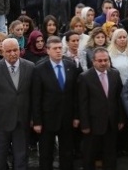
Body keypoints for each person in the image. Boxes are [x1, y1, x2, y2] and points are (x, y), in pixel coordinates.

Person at [0, 38, 35, 170]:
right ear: (2, 52)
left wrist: (33, 118)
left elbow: (34, 95)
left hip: (22, 120)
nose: (13, 54)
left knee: (21, 158)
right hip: (1, 122)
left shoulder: (30, 67)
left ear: (20, 50)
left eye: (15, 50)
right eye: (9, 51)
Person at [32, 36, 80, 170]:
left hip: (67, 118)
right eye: (55, 49)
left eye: (60, 48)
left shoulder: (70, 65)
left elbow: (75, 94)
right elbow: (36, 97)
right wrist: (37, 121)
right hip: (47, 119)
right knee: (46, 154)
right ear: (48, 50)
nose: (58, 51)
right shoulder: (39, 69)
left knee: (67, 153)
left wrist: (76, 116)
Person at [78, 48, 125, 170]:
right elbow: (82, 103)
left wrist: (120, 119)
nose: (103, 63)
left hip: (111, 123)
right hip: (93, 125)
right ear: (93, 61)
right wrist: (85, 124)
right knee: (90, 156)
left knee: (110, 155)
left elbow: (119, 98)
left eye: (106, 60)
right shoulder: (85, 77)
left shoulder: (114, 74)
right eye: (100, 60)